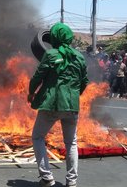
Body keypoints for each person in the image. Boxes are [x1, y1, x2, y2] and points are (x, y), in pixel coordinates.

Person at [28, 22, 89, 187]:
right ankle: (72, 181)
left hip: (52, 104)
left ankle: (47, 177)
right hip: (72, 106)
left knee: (38, 137)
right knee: (71, 142)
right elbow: (84, 82)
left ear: (54, 37)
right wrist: (74, 95)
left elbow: (37, 77)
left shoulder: (50, 54)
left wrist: (31, 92)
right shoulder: (79, 56)